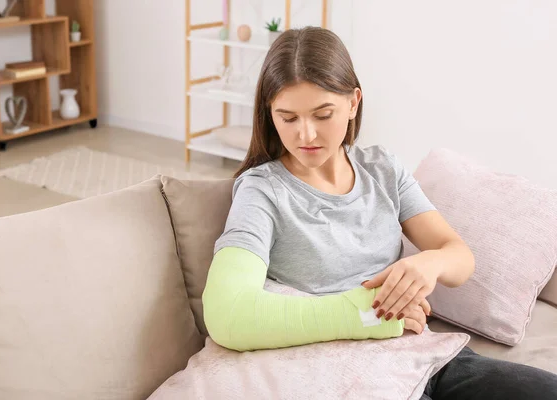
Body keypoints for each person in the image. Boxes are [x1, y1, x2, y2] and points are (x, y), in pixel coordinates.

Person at [202, 26, 557, 399]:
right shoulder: (262, 190)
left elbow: (460, 258)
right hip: (339, 373)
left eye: (323, 114)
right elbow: (229, 316)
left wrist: (428, 264)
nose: (305, 135)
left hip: (422, 356)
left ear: (354, 102)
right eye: (287, 118)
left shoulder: (383, 168)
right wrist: (368, 316)